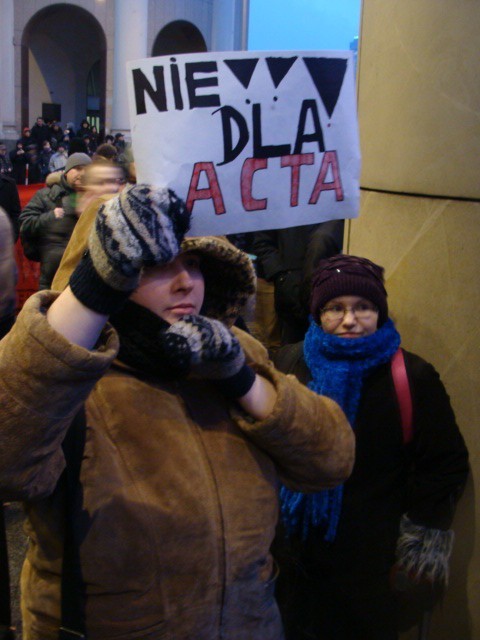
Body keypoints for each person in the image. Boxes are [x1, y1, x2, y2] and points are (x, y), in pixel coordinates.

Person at [0, 184, 354, 639]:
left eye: (193, 264)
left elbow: (332, 458)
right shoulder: (69, 375)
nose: (186, 281)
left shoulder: (229, 348)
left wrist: (241, 381)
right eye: (156, 265)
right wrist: (91, 292)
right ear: (113, 270)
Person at [272, 254, 470, 640]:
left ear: (379, 311)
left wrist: (416, 546)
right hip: (292, 553)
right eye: (335, 308)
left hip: (368, 561)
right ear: (317, 313)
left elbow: (444, 465)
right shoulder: (290, 362)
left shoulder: (412, 377)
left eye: (363, 307)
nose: (349, 320)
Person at [252, 221, 344, 349]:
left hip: (327, 292)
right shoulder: (279, 205)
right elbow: (263, 242)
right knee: (290, 351)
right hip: (291, 289)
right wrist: (282, 277)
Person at [19, 152, 92, 288]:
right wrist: (51, 216)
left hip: (86, 276)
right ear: (66, 172)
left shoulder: (97, 198)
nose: (82, 173)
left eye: (86, 170)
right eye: (77, 168)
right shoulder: (46, 195)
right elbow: (25, 224)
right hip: (52, 275)